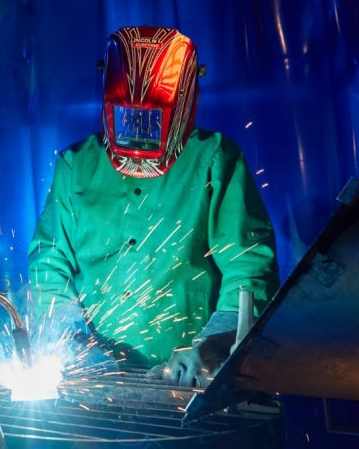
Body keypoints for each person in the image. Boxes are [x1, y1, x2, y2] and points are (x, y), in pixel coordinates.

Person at [28, 26, 279, 386]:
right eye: (128, 117)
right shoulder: (75, 165)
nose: (139, 133)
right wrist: (73, 343)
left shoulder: (215, 158)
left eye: (152, 120)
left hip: (191, 380)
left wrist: (214, 345)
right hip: (97, 378)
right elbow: (49, 265)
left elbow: (248, 268)